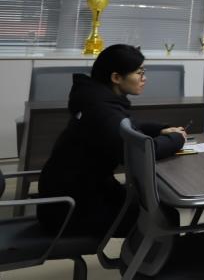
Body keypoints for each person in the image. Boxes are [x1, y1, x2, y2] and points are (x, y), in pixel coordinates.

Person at [37, 44, 186, 235]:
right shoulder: (102, 110)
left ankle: (144, 253)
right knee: (165, 216)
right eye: (139, 73)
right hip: (71, 209)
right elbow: (141, 152)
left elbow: (128, 125)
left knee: (157, 206)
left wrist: (161, 129)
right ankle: (152, 255)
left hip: (79, 193)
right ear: (116, 78)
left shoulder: (95, 98)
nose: (144, 78)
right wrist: (177, 139)